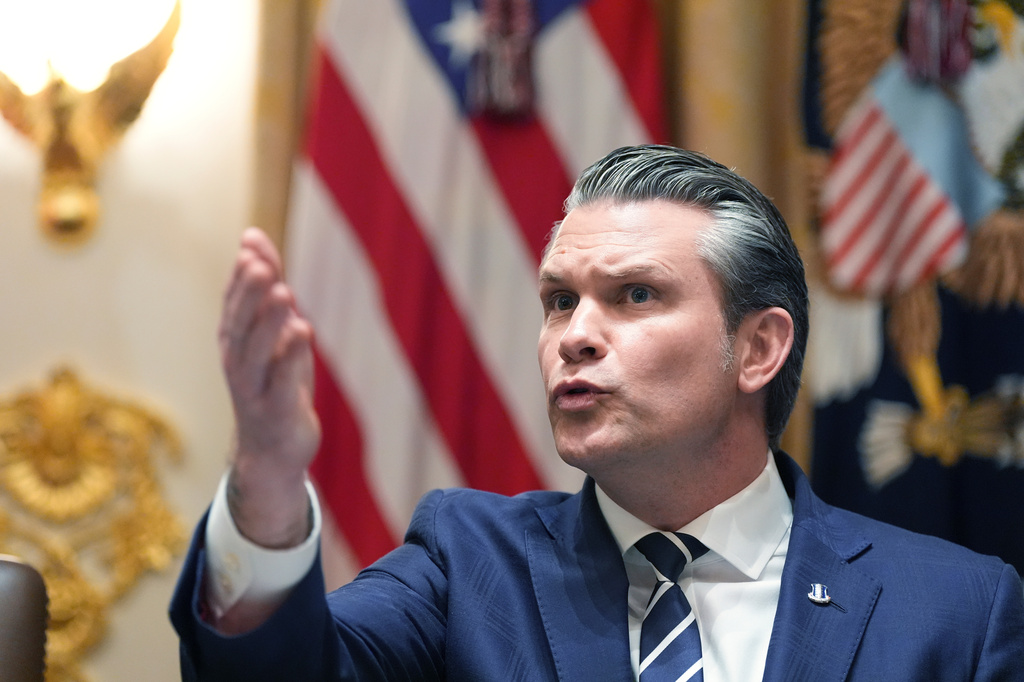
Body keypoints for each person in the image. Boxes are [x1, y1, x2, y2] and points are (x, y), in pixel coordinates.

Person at [170, 146, 1024, 680]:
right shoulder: (468, 565)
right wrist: (268, 485)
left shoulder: (955, 610)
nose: (574, 336)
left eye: (635, 295)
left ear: (758, 349)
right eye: (557, 300)